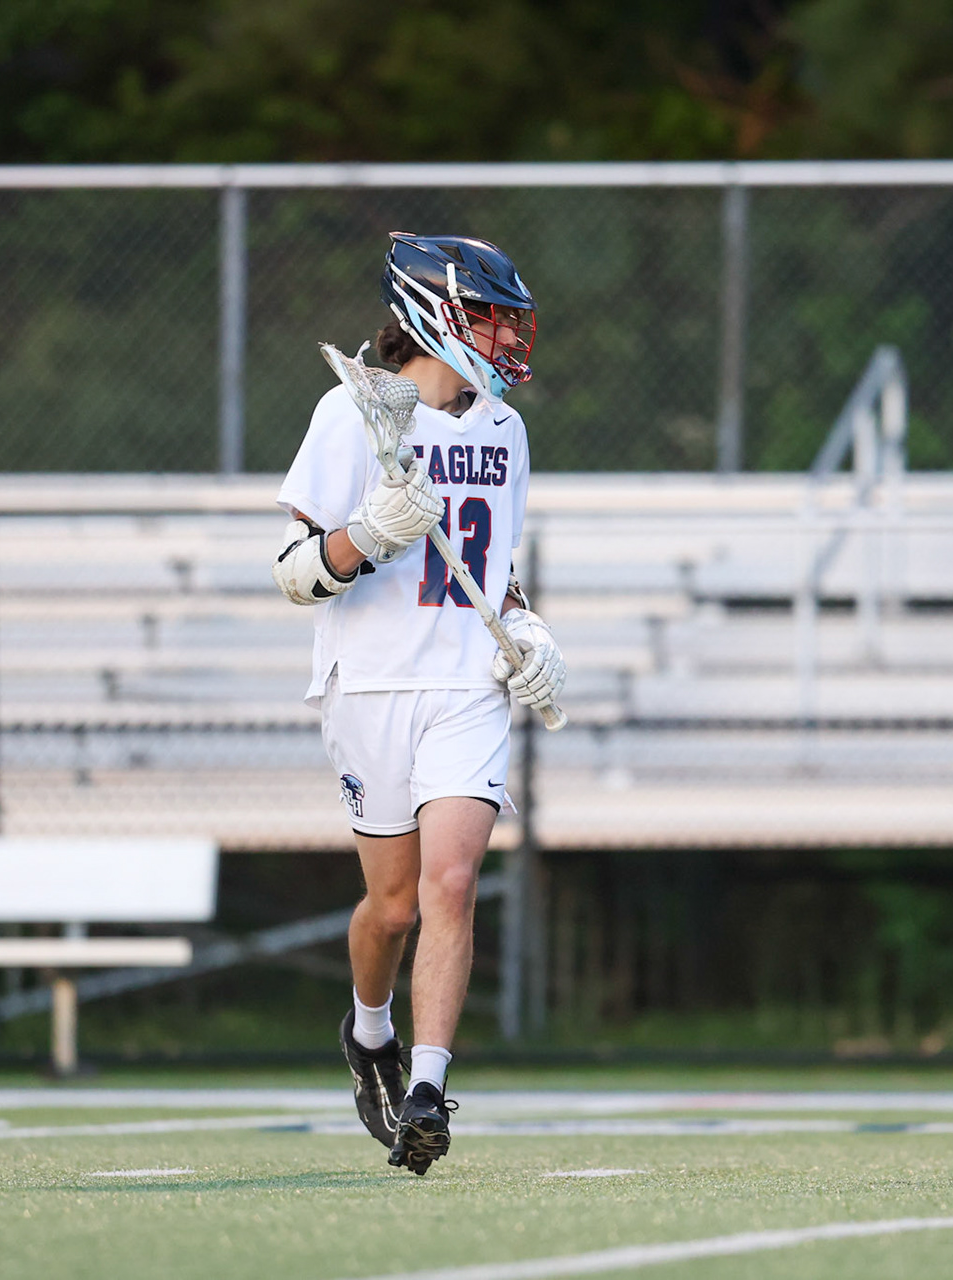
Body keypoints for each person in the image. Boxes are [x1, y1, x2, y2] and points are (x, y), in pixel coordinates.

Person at [271, 232, 566, 1175]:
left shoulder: (503, 430)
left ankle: (432, 1089)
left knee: (450, 885)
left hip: (463, 688)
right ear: (434, 315)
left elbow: (495, 576)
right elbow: (295, 577)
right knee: (392, 909)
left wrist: (529, 633)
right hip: (370, 683)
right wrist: (365, 535)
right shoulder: (351, 414)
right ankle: (368, 1034)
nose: (502, 336)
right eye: (484, 315)